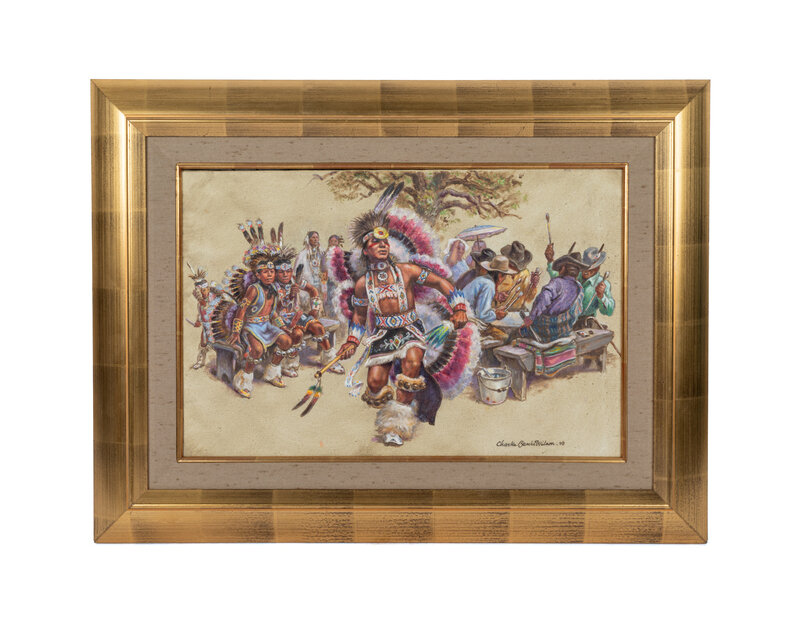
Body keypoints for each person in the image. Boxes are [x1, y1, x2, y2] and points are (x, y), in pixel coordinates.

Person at [335, 183, 469, 446]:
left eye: (384, 241)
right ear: (366, 250)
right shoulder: (362, 284)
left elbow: (441, 283)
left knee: (410, 369)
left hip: (410, 330)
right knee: (375, 384)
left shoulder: (406, 271)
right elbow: (360, 316)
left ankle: (396, 427)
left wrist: (460, 307)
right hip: (382, 335)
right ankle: (395, 410)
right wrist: (351, 340)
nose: (382, 245)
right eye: (375, 243)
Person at [225, 221, 297, 396]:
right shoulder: (253, 289)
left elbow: (273, 313)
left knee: (286, 341)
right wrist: (236, 331)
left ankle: (271, 373)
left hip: (266, 325)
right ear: (257, 275)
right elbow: (242, 310)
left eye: (272, 272)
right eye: (265, 272)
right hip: (251, 327)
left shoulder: (273, 289)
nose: (269, 274)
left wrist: (283, 326)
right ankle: (243, 380)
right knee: (256, 350)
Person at [274, 250, 345, 378]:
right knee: (297, 334)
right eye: (281, 272)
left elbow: (313, 290)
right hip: (279, 320)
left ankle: (329, 359)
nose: (285, 274)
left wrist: (315, 308)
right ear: (276, 273)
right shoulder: (272, 286)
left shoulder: (294, 280)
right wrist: (289, 296)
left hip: (297, 316)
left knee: (318, 327)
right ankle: (289, 365)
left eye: (288, 271)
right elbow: (272, 310)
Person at [521, 251, 588, 343]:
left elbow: (543, 298)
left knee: (519, 332)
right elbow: (578, 311)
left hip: (543, 330)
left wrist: (531, 317)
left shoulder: (557, 282)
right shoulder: (579, 287)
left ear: (563, 268)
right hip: (564, 331)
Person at [461, 255, 516, 323]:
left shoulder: (483, 280)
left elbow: (480, 309)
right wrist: (496, 315)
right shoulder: (489, 285)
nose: (504, 279)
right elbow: (482, 315)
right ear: (500, 275)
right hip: (465, 318)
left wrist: (494, 311)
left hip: (464, 314)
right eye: (505, 276)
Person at [187, 264, 221, 370]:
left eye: (205, 289)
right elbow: (200, 313)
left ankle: (221, 362)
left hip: (217, 326)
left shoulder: (216, 299)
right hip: (206, 327)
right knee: (203, 344)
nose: (204, 292)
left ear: (208, 288)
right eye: (201, 291)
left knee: (218, 345)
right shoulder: (200, 304)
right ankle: (200, 361)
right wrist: (198, 321)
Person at [495, 241, 539, 311]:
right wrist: (496, 295)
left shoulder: (525, 274)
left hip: (516, 311)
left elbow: (528, 298)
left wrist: (533, 285)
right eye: (511, 265)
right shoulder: (498, 271)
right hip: (498, 311)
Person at [294, 230, 325, 302]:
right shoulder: (302, 255)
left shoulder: (322, 253)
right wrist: (309, 287)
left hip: (320, 287)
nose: (315, 239)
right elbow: (295, 274)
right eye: (313, 237)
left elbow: (325, 270)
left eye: (317, 237)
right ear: (308, 239)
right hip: (307, 289)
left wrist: (324, 287)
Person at [322, 234, 344, 317]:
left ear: (338, 242)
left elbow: (342, 265)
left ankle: (339, 314)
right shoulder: (325, 254)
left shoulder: (341, 252)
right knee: (329, 296)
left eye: (335, 241)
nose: (333, 243)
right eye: (331, 241)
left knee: (339, 296)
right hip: (329, 279)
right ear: (329, 242)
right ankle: (331, 315)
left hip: (338, 278)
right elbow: (323, 267)